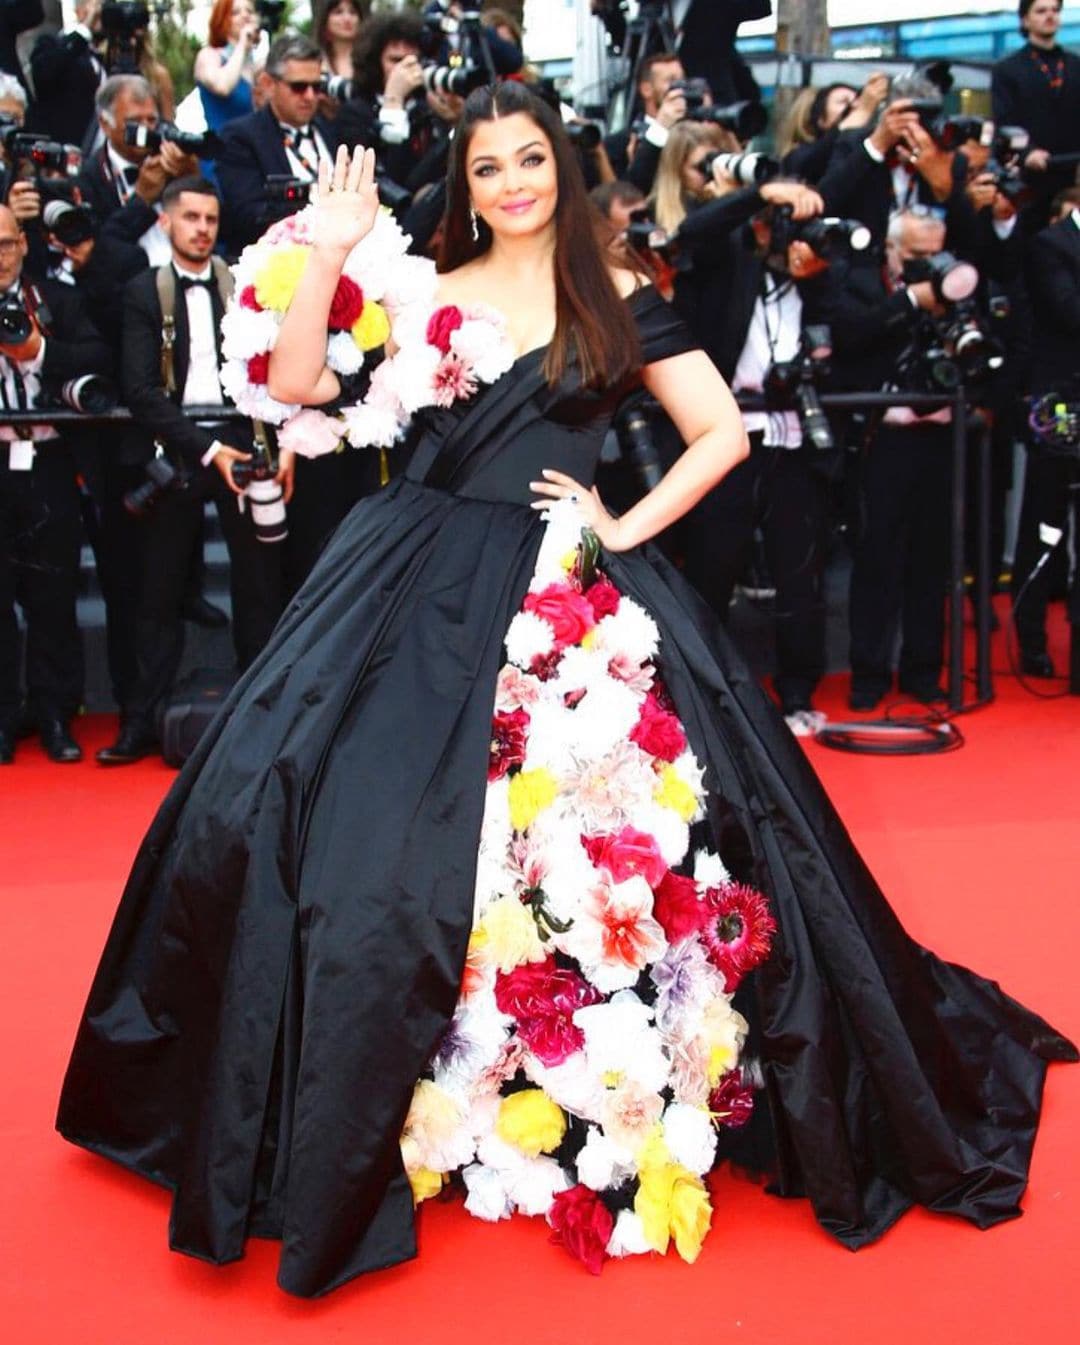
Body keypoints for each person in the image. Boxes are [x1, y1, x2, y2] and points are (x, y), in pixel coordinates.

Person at [56, 84, 1075, 1297]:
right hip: (404, 584)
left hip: (558, 587)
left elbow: (721, 434)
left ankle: (571, 1063)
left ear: (564, 163)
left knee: (611, 843)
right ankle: (390, 1077)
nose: (511, 185)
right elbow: (302, 389)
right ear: (465, 185)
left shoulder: (621, 299)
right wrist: (328, 252)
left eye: (529, 158)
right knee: (320, 817)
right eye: (486, 168)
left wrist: (617, 522)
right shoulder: (420, 286)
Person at [96, 176, 288, 764]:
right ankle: (140, 724)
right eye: (191, 218)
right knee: (156, 593)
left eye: (210, 218)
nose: (202, 228)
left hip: (243, 436)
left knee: (259, 589)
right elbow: (141, 392)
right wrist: (207, 450)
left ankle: (259, 725)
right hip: (177, 445)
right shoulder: (142, 291)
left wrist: (279, 448)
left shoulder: (247, 288)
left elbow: (272, 372)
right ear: (166, 222)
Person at [0, 203, 114, 765]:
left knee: (53, 596)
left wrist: (38, 351)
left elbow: (99, 356)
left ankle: (54, 715)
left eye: (3, 243)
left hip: (48, 460)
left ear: (23, 244)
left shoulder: (58, 300)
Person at [1010, 198, 1080, 675]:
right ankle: (1031, 642)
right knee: (1044, 525)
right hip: (1058, 411)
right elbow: (1068, 310)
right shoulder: (1050, 245)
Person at [216, 33, 342, 255]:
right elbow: (247, 215)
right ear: (268, 84)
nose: (310, 96)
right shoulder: (240, 137)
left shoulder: (332, 130)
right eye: (299, 87)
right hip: (275, 264)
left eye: (317, 86)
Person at [78, 75, 199, 266]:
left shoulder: (173, 160)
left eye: (151, 121)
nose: (146, 130)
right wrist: (142, 200)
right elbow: (101, 256)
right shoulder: (89, 178)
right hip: (131, 285)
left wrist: (191, 179)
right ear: (105, 125)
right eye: (134, 122)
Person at [992, 0, 1080, 225]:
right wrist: (1027, 153)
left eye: (1055, 10)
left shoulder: (1075, 65)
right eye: (1041, 11)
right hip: (1033, 176)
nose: (1050, 16)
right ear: (1025, 19)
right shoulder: (1008, 69)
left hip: (1075, 170)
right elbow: (1004, 121)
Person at [28, 0, 108, 149]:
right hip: (64, 148)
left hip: (98, 153)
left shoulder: (106, 56)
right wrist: (85, 28)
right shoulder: (52, 43)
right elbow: (44, 74)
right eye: (96, 5)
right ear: (78, 11)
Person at [193, 0, 259, 134]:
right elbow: (223, 87)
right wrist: (242, 44)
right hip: (222, 149)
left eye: (249, 11)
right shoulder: (208, 56)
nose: (245, 16)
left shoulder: (255, 66)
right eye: (235, 13)